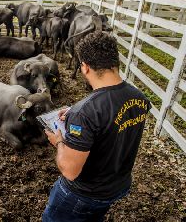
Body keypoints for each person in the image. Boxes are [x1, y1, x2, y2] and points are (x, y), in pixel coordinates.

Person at [42, 32, 151, 222]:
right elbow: (114, 113)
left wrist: (59, 141)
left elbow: (69, 170)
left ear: (84, 67)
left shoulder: (85, 113)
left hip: (82, 195)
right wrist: (76, 111)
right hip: (116, 186)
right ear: (115, 61)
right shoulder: (139, 98)